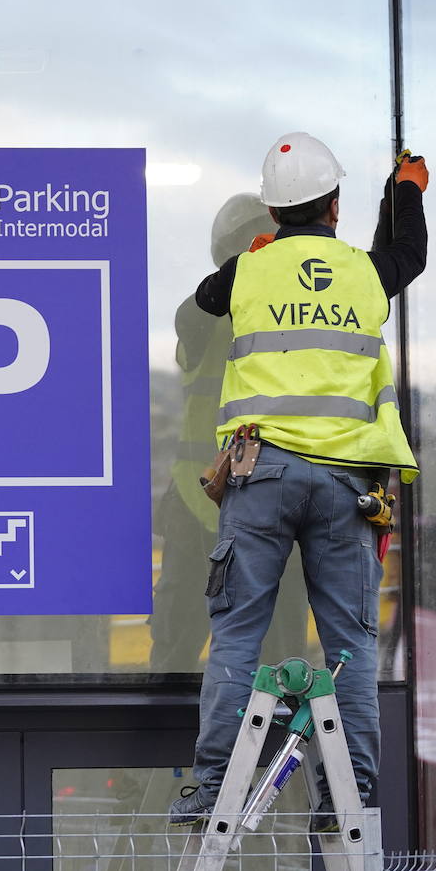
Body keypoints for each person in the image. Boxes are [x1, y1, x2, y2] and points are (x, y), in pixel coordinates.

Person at [168, 132, 429, 830]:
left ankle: (213, 782)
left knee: (238, 635)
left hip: (263, 473)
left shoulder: (248, 273)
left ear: (273, 212)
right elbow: (408, 257)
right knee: (349, 645)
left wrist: (250, 261)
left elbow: (203, 297)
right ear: (334, 206)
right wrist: (404, 191)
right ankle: (352, 795)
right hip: (346, 484)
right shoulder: (361, 273)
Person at [150, 194, 309, 675]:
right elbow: (189, 316)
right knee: (176, 644)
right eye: (249, 241)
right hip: (200, 505)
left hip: (276, 508)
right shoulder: (207, 318)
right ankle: (166, 747)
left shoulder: (301, 316)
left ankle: (275, 749)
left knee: (280, 654)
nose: (262, 247)